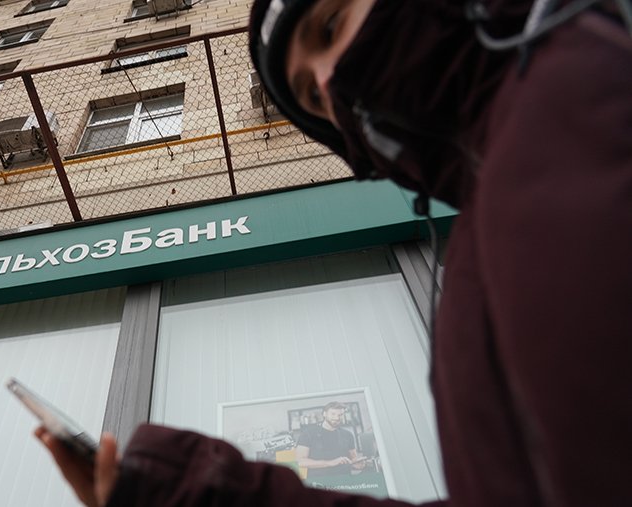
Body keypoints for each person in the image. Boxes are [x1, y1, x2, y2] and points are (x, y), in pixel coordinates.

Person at [35, 1, 632, 506]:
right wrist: (185, 492)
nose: (326, 84)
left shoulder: (587, 82)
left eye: (330, 26)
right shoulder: (483, 214)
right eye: (305, 94)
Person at [295, 402, 363, 478]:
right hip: (319, 482)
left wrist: (357, 464)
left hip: (345, 480)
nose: (337, 418)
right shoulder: (308, 433)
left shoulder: (348, 434)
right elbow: (301, 461)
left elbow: (353, 458)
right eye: (333, 414)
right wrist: (330, 463)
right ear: (324, 414)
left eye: (340, 415)